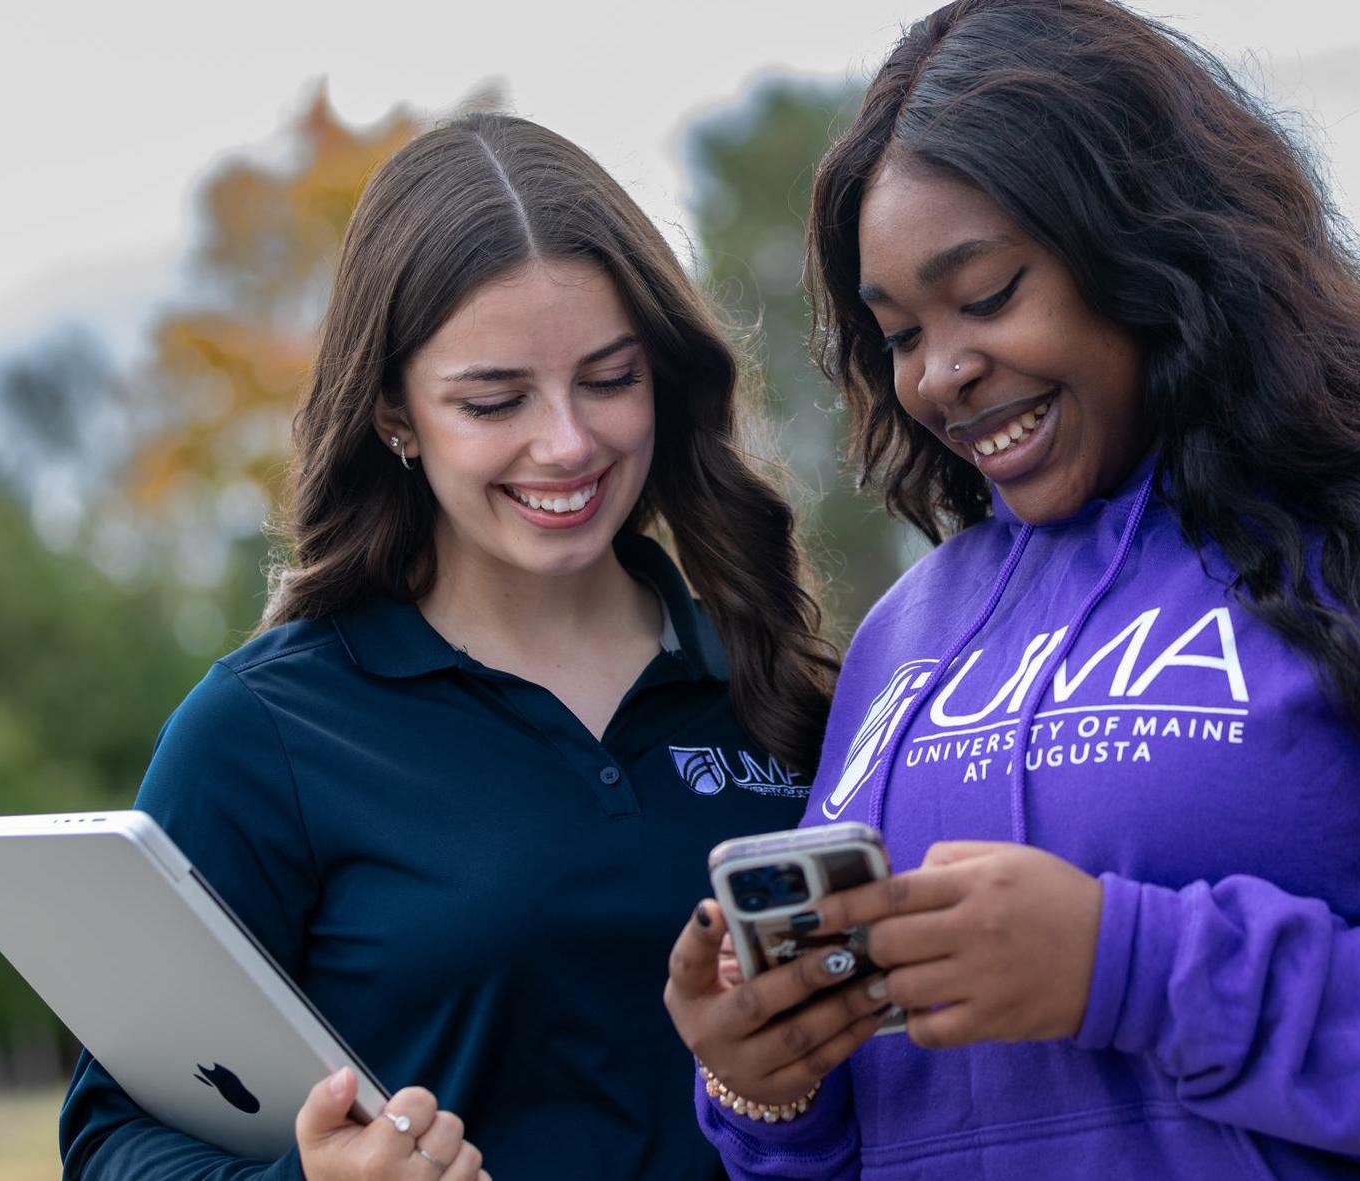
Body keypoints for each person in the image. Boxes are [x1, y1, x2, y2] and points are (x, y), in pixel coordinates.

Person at [663, 1, 1360, 1177]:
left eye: (991, 292)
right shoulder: (910, 637)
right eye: (898, 331)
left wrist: (1129, 966)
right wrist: (772, 1088)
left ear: (1148, 249)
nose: (940, 374)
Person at [59, 112, 837, 1180]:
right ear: (394, 414)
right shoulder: (266, 731)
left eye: (609, 378)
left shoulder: (779, 688)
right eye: (493, 398)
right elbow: (109, 1137)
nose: (565, 441)